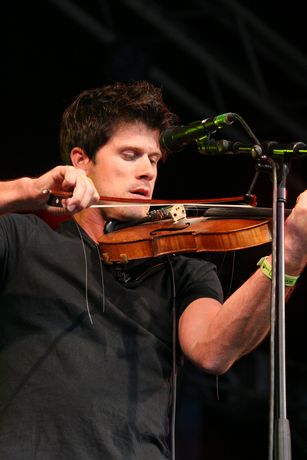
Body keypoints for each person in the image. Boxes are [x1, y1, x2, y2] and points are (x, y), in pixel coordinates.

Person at [0, 81, 306, 460]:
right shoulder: (22, 240)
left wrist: (289, 254)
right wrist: (26, 189)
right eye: (130, 155)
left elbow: (213, 351)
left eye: (154, 159)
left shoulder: (181, 271)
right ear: (80, 161)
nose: (147, 171)